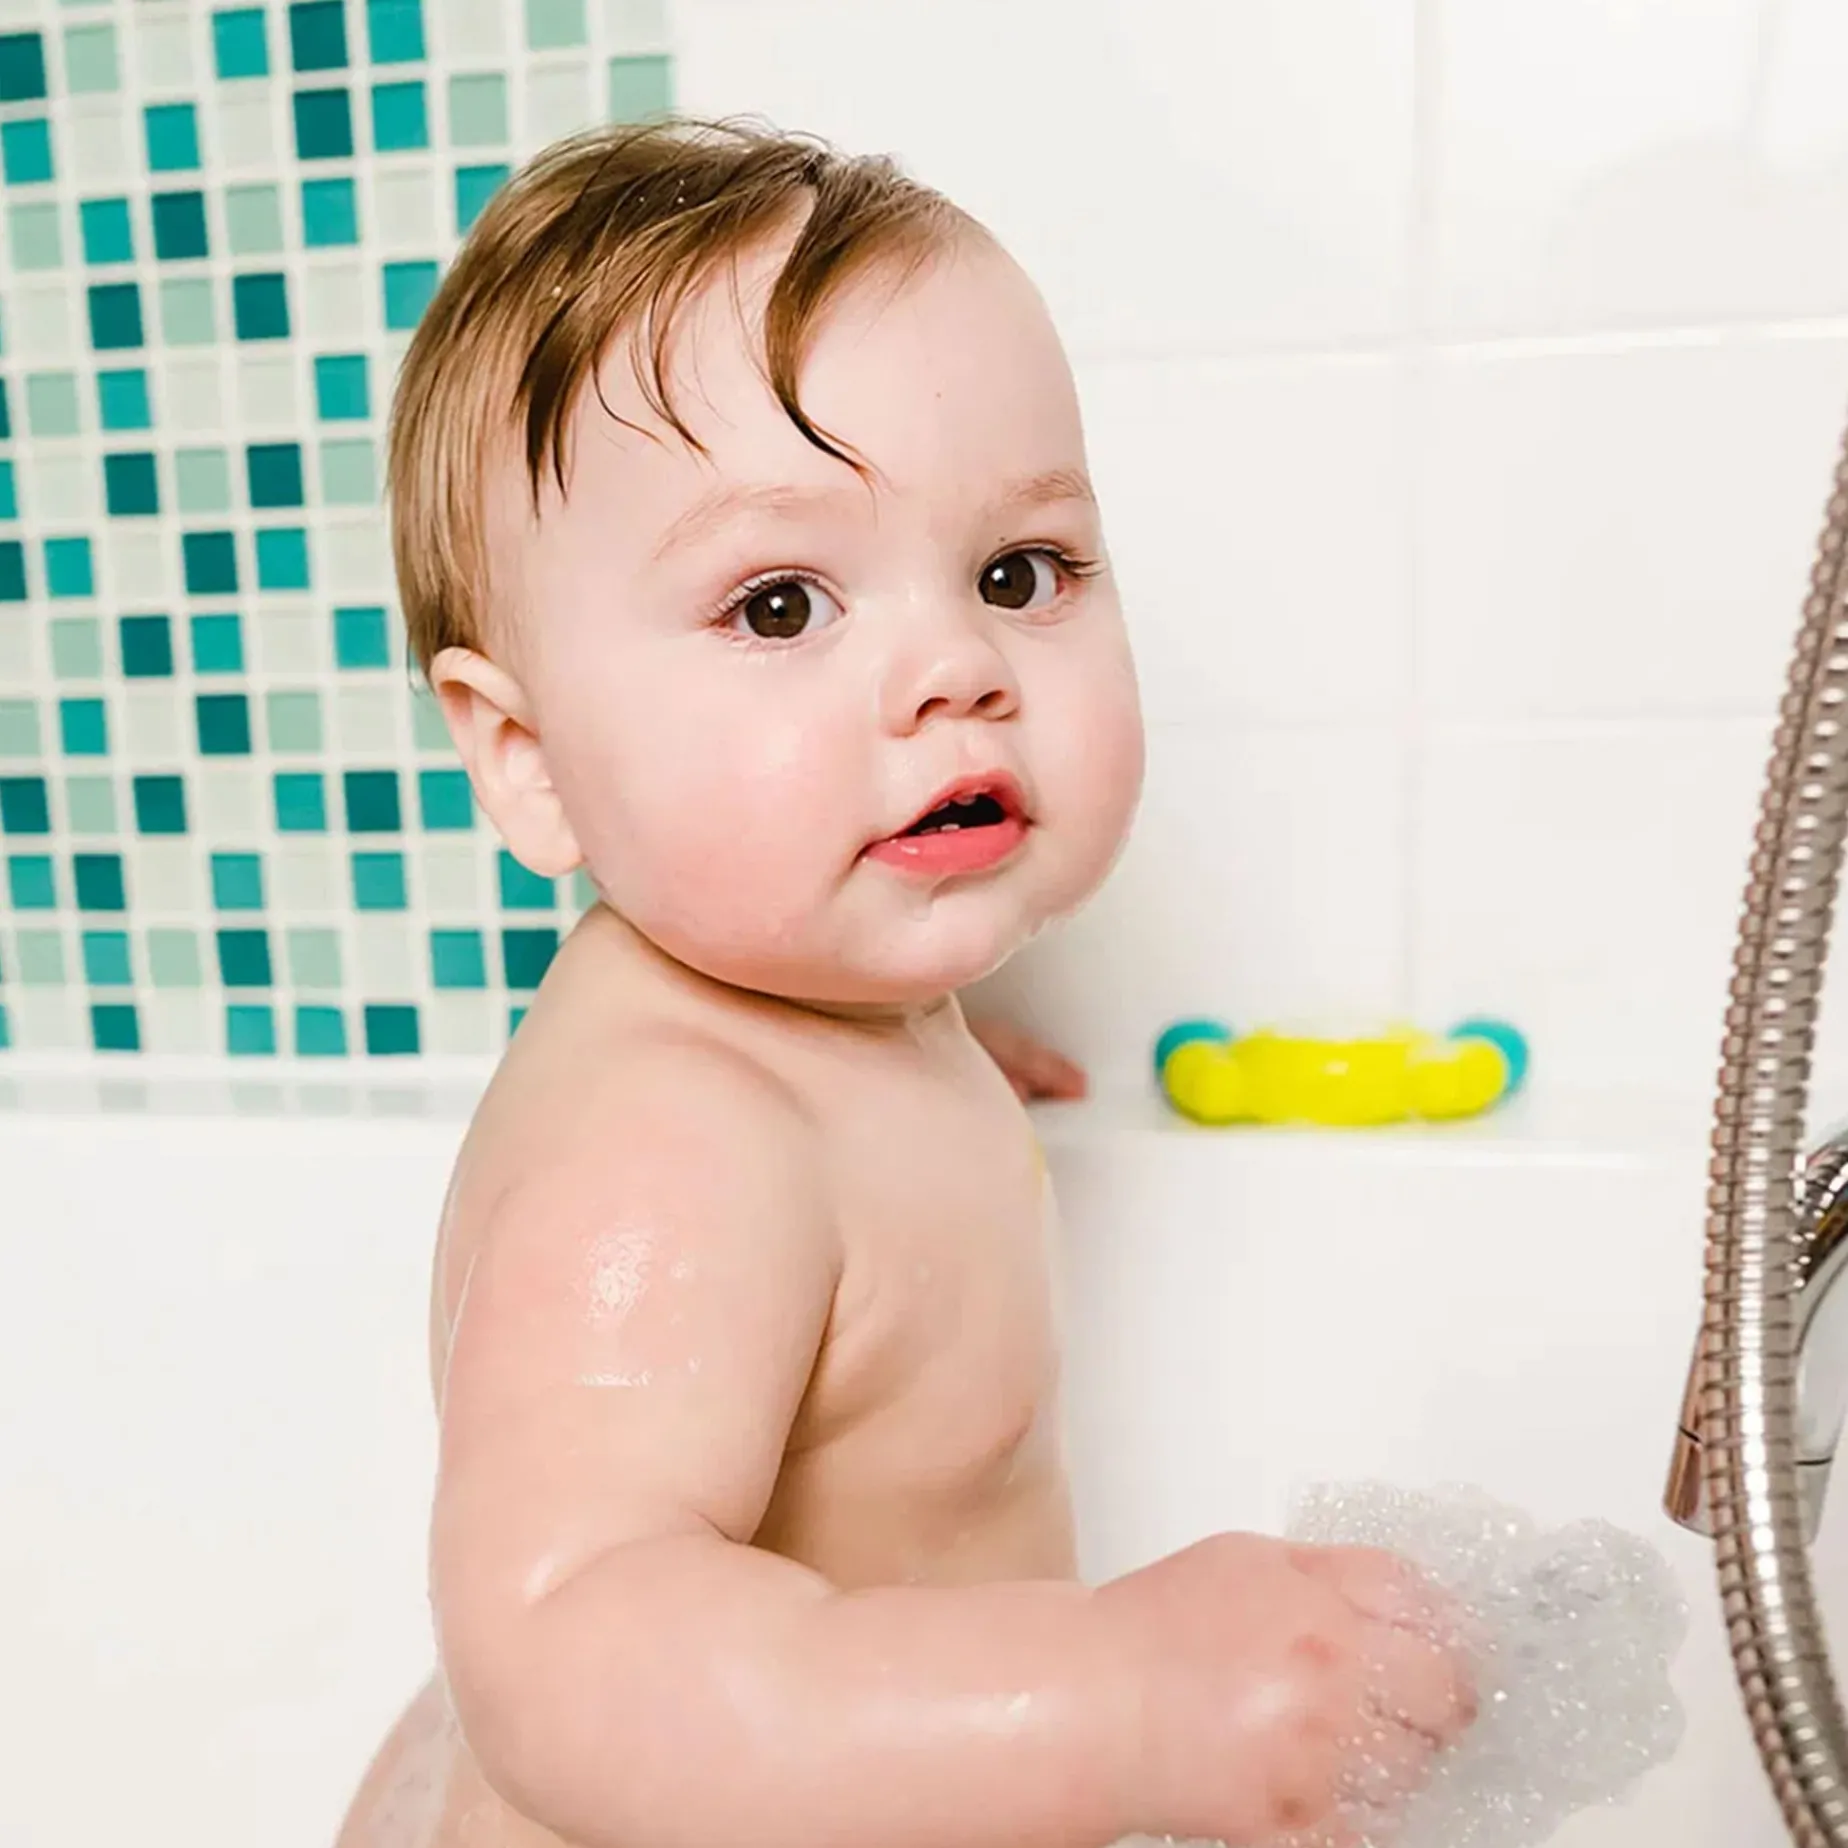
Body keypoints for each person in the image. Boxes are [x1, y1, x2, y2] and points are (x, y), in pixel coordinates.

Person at [336, 117, 1473, 1848]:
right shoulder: (670, 1149)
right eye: (781, 606)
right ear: (529, 759)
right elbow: (566, 1653)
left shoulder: (810, 1040)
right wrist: (1123, 1700)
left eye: (1019, 574)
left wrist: (936, 1064)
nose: (958, 664)